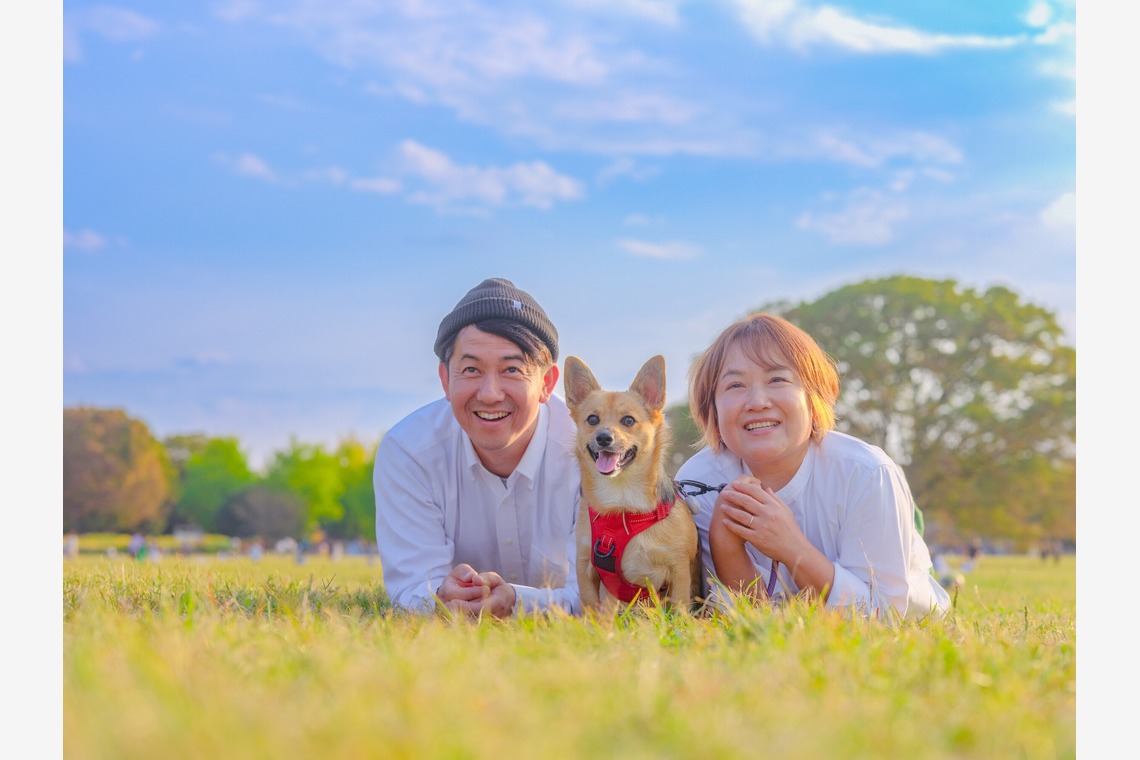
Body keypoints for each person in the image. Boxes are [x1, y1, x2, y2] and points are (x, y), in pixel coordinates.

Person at [675, 313, 950, 622]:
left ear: (813, 394)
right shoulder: (695, 483)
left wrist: (791, 547)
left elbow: (886, 617)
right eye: (735, 385)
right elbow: (743, 621)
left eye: (777, 379)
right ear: (710, 406)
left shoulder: (866, 473)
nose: (757, 401)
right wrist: (725, 547)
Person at [373, 277, 581, 619]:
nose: (489, 394)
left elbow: (598, 596)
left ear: (546, 383)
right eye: (471, 370)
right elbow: (413, 588)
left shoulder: (591, 454)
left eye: (512, 370)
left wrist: (518, 603)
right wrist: (440, 597)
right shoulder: (409, 453)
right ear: (445, 379)